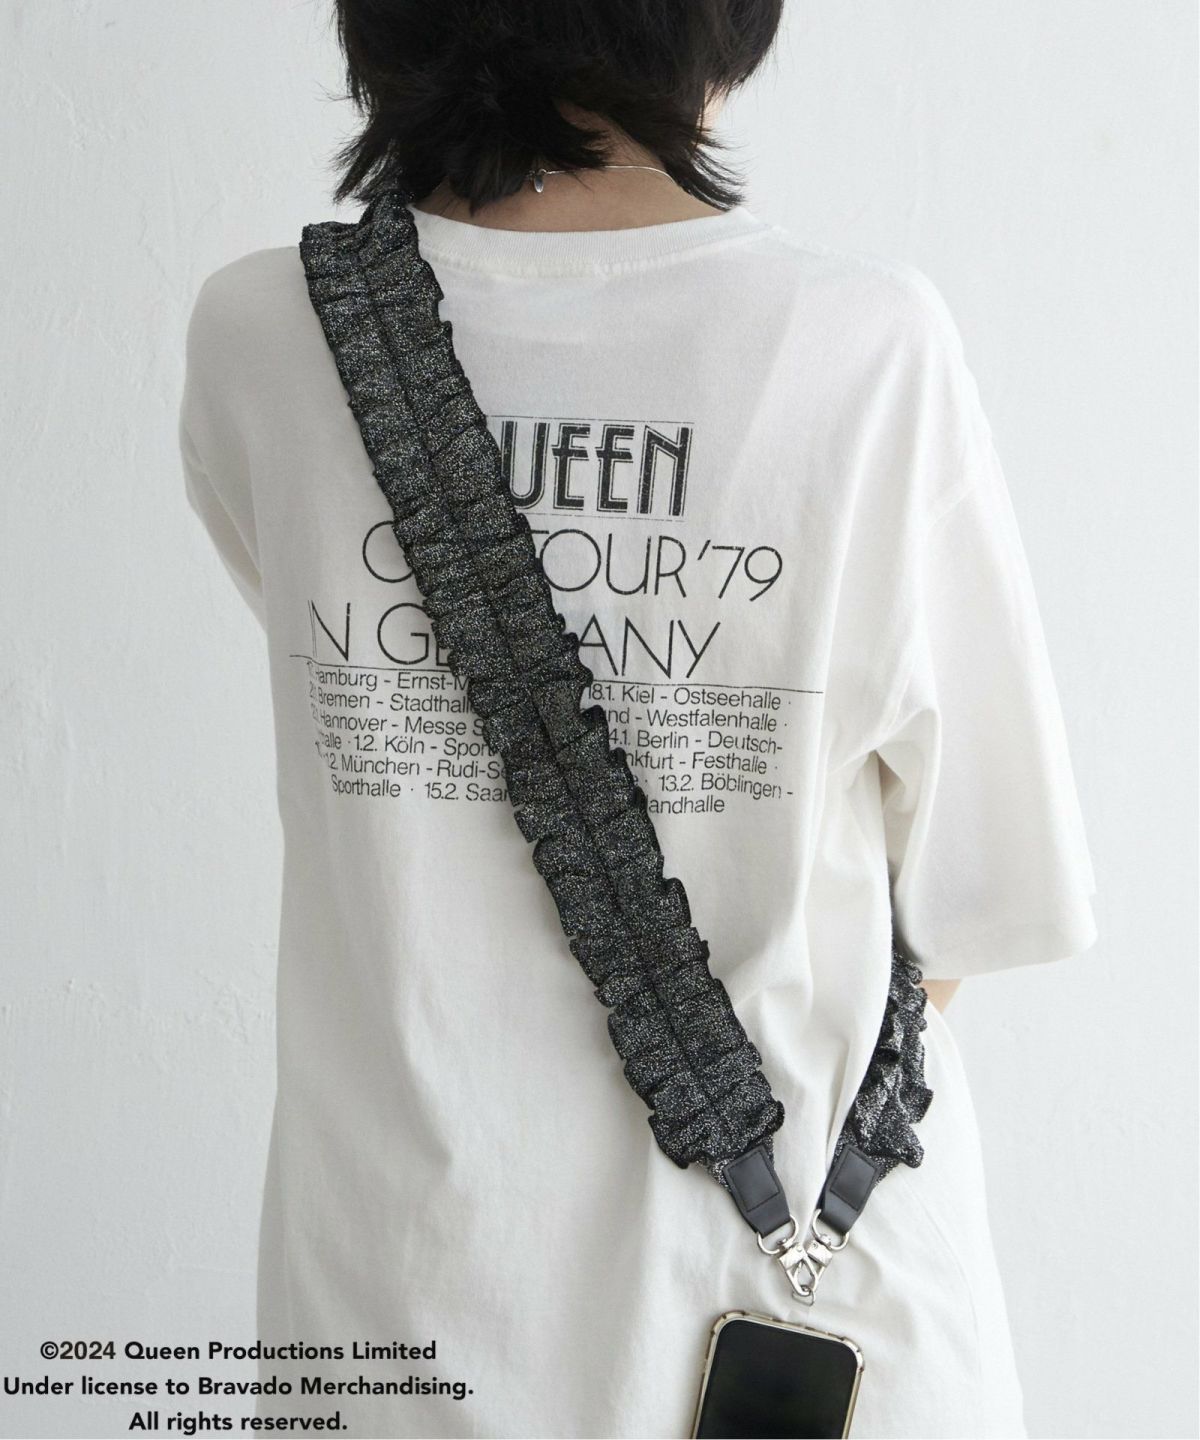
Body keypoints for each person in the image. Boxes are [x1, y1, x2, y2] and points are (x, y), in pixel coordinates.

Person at [177, 2, 1098, 1435]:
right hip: (815, 1314)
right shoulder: (866, 347)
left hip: (393, 1318)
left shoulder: (264, 334)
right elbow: (979, 894)